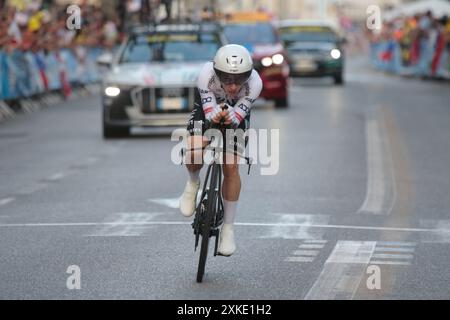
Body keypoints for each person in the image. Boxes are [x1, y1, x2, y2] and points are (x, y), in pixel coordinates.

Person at [180, 44, 262, 256]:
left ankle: (228, 229)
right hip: (209, 106)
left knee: (231, 166)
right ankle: (192, 184)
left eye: (239, 79)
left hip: (236, 111)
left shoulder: (255, 83)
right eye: (226, 79)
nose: (233, 86)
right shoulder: (206, 75)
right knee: (196, 149)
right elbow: (208, 114)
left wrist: (228, 115)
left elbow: (236, 117)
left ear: (248, 75)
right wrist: (215, 115)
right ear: (217, 73)